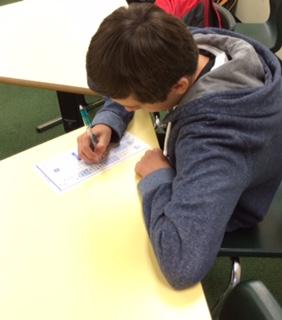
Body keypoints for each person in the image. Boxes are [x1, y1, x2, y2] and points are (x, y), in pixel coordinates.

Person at [77, 3, 282, 289]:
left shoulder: (214, 147)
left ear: (180, 86)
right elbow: (130, 75)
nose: (128, 107)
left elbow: (182, 265)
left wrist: (158, 177)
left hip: (235, 202)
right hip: (223, 162)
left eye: (132, 105)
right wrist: (110, 120)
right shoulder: (188, 45)